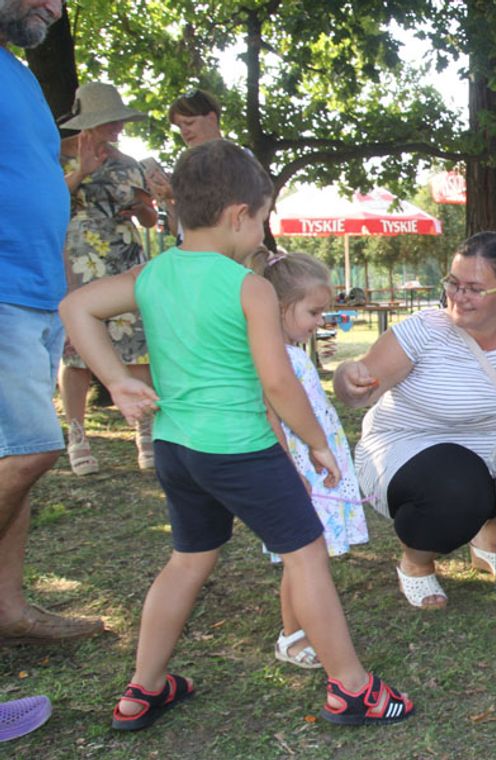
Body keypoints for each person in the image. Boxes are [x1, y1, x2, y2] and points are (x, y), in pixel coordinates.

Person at [59, 140, 412, 729]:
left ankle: (143, 689)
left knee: (187, 561)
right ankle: (352, 688)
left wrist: (117, 379)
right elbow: (277, 382)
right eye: (264, 216)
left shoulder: (155, 274)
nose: (263, 231)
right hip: (241, 450)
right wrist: (317, 442)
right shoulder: (247, 287)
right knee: (307, 557)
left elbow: (76, 307)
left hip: (177, 450)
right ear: (239, 216)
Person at [333, 232, 496, 610]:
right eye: (453, 283)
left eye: (473, 288)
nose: (457, 295)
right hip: (410, 450)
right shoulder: (423, 331)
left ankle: (488, 540)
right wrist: (347, 377)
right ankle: (416, 563)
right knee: (460, 485)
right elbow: (358, 389)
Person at [0, 0, 105, 645]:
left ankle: (8, 608)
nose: (56, 7)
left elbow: (39, 186)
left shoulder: (20, 75)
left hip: (36, 295)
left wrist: (66, 297)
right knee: (33, 451)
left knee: (13, 455)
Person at [254, 249, 369, 670]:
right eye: (314, 312)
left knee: (308, 557)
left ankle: (303, 628)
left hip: (313, 467)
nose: (320, 321)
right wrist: (289, 470)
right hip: (299, 470)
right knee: (301, 557)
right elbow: (271, 415)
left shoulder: (292, 353)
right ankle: (292, 634)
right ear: (281, 308)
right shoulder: (274, 360)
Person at [57, 82, 158, 475]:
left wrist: (140, 207)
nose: (117, 127)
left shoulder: (129, 162)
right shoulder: (59, 157)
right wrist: (82, 171)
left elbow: (151, 217)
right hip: (81, 258)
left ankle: (144, 430)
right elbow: (48, 201)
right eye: (110, 120)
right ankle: (77, 434)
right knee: (76, 350)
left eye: (118, 120)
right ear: (90, 122)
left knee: (137, 344)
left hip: (125, 255)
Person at [143, 88, 223, 239]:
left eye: (189, 123)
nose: (184, 131)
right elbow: (180, 234)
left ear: (212, 119)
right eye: (180, 126)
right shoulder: (186, 166)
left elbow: (226, 207)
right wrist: (165, 199)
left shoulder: (239, 159)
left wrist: (177, 193)